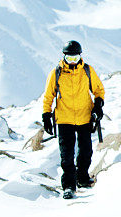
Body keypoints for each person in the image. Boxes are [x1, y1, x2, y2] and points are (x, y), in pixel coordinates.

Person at [42, 40, 105, 199]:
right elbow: (48, 96)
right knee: (67, 155)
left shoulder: (87, 71)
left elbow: (99, 90)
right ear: (64, 57)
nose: (72, 61)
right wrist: (46, 115)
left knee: (86, 151)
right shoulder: (56, 73)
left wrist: (98, 105)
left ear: (80, 56)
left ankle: (82, 178)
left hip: (85, 117)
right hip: (64, 119)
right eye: (69, 58)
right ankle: (69, 186)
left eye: (75, 58)